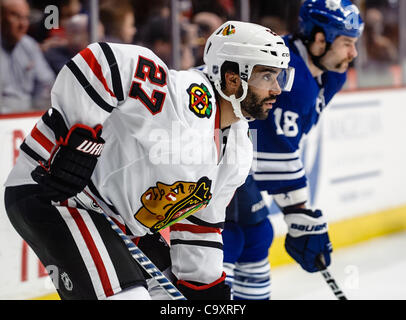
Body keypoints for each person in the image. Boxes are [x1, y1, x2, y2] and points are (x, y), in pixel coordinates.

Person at [4, 21, 294, 300]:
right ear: (233, 78)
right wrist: (79, 144)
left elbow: (200, 223)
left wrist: (202, 285)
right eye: (267, 76)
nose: (277, 90)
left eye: (278, 77)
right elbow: (101, 61)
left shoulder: (239, 148)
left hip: (122, 221)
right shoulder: (183, 98)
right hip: (56, 191)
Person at [222, 0, 364, 300]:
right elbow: (273, 151)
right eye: (347, 43)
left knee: (255, 235)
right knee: (231, 234)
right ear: (319, 38)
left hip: (238, 151)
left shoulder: (331, 73)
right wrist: (300, 213)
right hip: (212, 150)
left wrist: (298, 214)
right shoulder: (291, 77)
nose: (353, 53)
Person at [0, 0, 55, 113]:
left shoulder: (30, 46)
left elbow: (46, 83)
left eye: (26, 18)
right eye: (16, 16)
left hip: (27, 116)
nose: (23, 24)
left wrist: (37, 112)